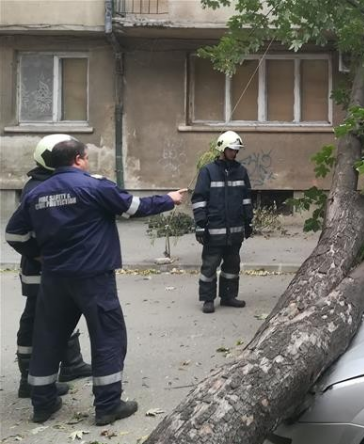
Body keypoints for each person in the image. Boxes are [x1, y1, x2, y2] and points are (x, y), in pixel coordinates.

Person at [5, 137, 186, 425]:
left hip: (53, 278)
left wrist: (37, 255)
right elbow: (133, 207)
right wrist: (169, 199)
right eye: (86, 157)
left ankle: (42, 404)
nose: (88, 161)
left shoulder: (37, 194)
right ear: (78, 159)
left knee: (48, 338)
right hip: (93, 277)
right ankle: (108, 405)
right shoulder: (94, 185)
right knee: (108, 337)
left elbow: (14, 234)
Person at [14, 135, 93, 400]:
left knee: (61, 312)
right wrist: (40, 256)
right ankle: (29, 380)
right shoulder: (39, 188)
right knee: (37, 319)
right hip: (42, 270)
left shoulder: (49, 182)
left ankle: (71, 363)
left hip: (55, 268)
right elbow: (17, 233)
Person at [192, 131, 253, 314]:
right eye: (232, 150)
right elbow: (199, 199)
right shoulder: (208, 171)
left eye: (236, 150)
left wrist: (248, 222)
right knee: (210, 266)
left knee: (232, 266)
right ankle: (208, 299)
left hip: (235, 230)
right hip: (214, 230)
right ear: (223, 149)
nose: (235, 153)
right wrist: (201, 225)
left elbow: (246, 199)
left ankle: (228, 296)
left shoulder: (241, 171)